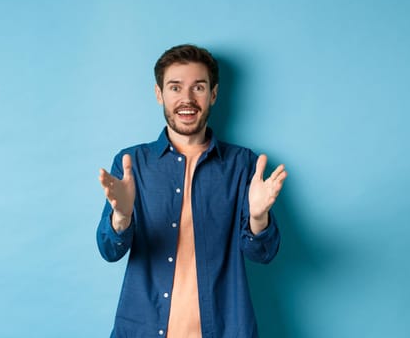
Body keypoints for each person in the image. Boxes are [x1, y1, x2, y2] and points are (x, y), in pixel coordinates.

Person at [97, 44, 287, 338]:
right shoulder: (132, 164)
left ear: (213, 94)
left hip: (225, 330)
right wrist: (121, 217)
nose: (186, 99)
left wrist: (258, 218)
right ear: (159, 94)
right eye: (175, 87)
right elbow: (109, 250)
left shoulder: (243, 164)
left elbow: (263, 254)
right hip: (143, 329)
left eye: (198, 87)